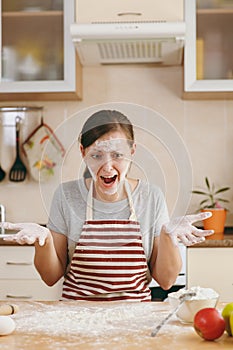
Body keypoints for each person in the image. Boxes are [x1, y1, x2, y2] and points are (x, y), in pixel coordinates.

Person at [1, 110, 214, 301]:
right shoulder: (66, 196)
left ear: (132, 151)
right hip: (75, 320)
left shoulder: (151, 198)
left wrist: (168, 237)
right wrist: (44, 240)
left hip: (135, 320)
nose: (108, 166)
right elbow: (50, 277)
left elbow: (166, 281)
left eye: (118, 155)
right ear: (83, 152)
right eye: (97, 155)